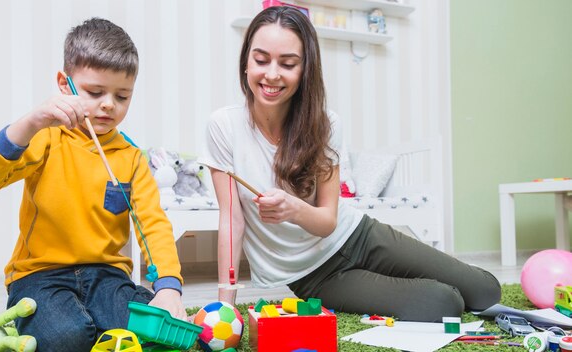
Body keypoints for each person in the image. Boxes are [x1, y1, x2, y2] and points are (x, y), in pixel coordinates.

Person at [199, 6, 501, 322]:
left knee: (484, 290)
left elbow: (328, 220)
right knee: (443, 302)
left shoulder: (325, 125)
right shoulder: (224, 126)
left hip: (358, 235)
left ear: (304, 70)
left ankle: (462, 281)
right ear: (246, 61)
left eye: (287, 64)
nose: (272, 74)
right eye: (261, 60)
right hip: (315, 276)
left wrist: (293, 209)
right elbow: (232, 220)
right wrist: (226, 306)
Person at [0, 18, 185, 351]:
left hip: (107, 276)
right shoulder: (45, 138)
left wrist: (168, 287)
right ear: (65, 84)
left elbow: (153, 226)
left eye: (122, 96)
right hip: (40, 276)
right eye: (95, 92)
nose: (109, 104)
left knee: (150, 328)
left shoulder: (132, 158)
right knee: (69, 336)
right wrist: (31, 123)